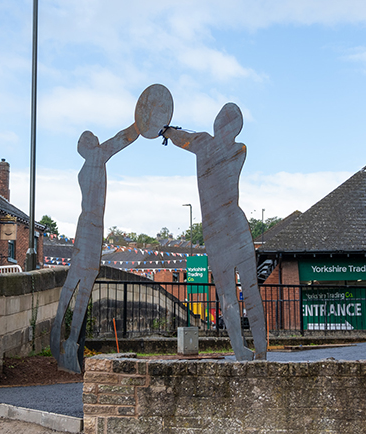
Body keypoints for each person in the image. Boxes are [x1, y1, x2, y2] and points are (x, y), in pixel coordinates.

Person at [161, 103, 268, 361]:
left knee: (228, 295)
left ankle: (244, 351)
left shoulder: (207, 144)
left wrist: (167, 131)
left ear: (218, 124)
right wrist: (172, 133)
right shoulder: (238, 149)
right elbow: (184, 138)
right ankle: (259, 351)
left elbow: (183, 138)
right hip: (235, 225)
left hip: (215, 230)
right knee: (249, 290)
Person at [50, 123, 140, 373]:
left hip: (83, 226)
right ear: (92, 145)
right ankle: (70, 339)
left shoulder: (86, 165)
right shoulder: (98, 157)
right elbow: (122, 138)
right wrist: (140, 125)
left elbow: (120, 139)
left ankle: (59, 328)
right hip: (91, 228)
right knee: (85, 282)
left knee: (73, 280)